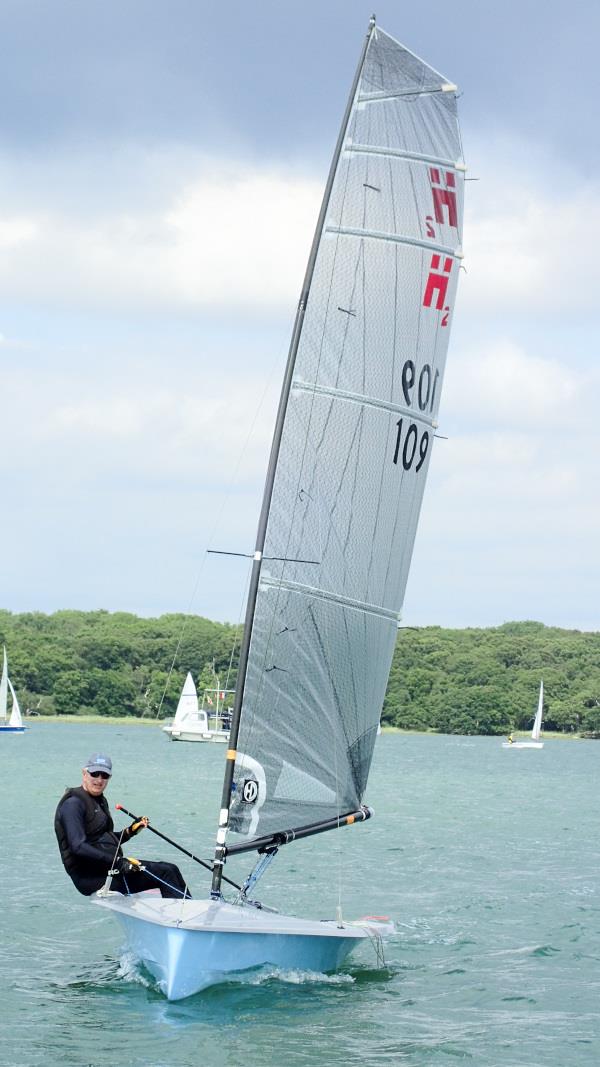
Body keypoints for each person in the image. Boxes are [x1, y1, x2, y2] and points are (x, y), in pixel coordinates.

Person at [55, 753, 191, 899]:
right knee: (166, 872)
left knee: (171, 869)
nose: (99, 780)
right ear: (84, 773)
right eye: (95, 774)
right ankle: (180, 918)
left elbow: (103, 840)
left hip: (106, 869)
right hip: (90, 878)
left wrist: (130, 831)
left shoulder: (98, 800)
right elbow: (78, 846)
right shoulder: (73, 804)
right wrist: (119, 862)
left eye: (104, 775)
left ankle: (188, 911)